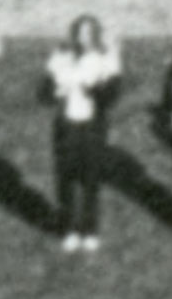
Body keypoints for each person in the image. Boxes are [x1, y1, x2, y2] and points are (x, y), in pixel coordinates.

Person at [44, 17, 123, 256]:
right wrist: (57, 89)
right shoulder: (62, 56)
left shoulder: (104, 58)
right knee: (65, 180)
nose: (84, 37)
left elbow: (111, 96)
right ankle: (69, 229)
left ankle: (90, 230)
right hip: (66, 126)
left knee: (90, 180)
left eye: (89, 32)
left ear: (96, 34)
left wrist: (92, 88)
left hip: (91, 126)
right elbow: (43, 93)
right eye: (80, 32)